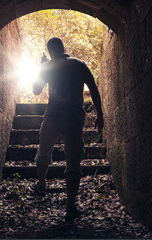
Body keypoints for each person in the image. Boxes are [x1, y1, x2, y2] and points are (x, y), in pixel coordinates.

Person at [32, 37, 104, 220]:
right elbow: (94, 89)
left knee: (44, 149)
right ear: (64, 48)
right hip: (73, 115)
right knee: (73, 158)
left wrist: (42, 67)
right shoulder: (79, 64)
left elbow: (36, 90)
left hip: (53, 114)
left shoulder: (48, 66)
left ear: (49, 51)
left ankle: (41, 186)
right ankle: (70, 205)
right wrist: (100, 114)